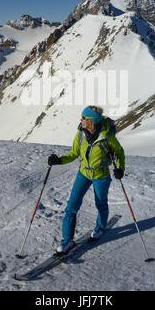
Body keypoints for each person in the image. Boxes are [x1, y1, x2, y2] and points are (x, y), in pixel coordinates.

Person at [48, 105, 125, 254]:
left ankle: (100, 228)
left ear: (91, 121)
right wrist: (59, 160)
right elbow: (74, 153)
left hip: (101, 175)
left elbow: (119, 152)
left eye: (84, 118)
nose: (81, 120)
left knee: (100, 203)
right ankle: (67, 240)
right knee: (72, 205)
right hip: (83, 173)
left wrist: (120, 168)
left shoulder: (107, 136)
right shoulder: (81, 133)